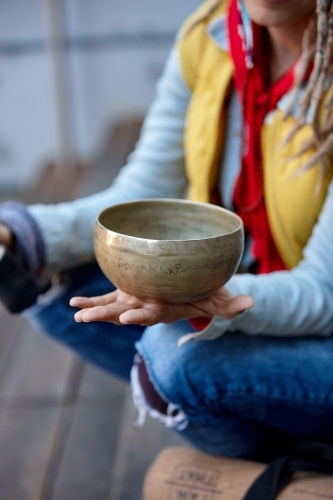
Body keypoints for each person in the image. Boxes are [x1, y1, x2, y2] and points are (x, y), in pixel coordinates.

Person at [0, 0, 333, 463]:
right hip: (246, 282)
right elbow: (138, 196)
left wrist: (214, 303)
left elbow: (322, 292)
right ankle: (282, 444)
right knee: (50, 278)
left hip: (320, 329)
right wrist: (19, 233)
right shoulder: (211, 34)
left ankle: (288, 465)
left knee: (175, 360)